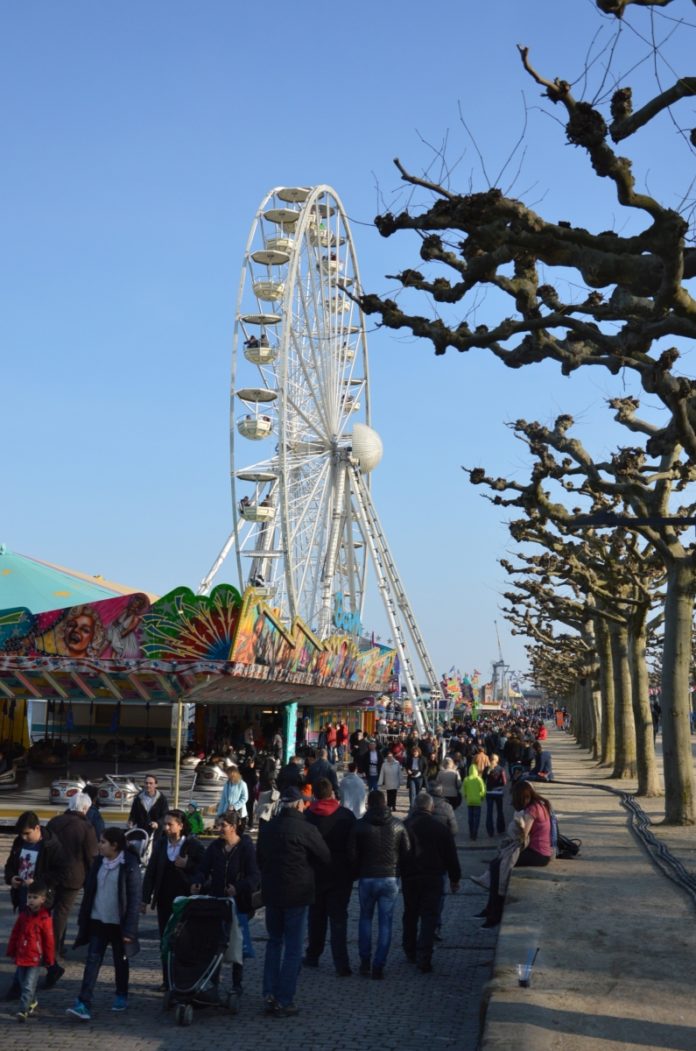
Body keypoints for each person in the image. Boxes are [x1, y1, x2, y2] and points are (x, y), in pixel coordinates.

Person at [256, 787, 330, 1017]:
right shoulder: (306, 829)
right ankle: (284, 999)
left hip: (273, 892)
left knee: (274, 942)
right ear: (298, 804)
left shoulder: (268, 828)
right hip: (298, 893)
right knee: (293, 947)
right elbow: (325, 857)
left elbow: (260, 858)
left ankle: (269, 993)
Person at [67, 827, 142, 1020]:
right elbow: (90, 891)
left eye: (103, 842)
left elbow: (134, 899)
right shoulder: (99, 862)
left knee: (120, 961)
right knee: (92, 960)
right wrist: (84, 916)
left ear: (114, 846)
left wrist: (130, 930)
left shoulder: (129, 864)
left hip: (119, 924)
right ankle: (83, 1002)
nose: (99, 845)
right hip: (98, 920)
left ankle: (121, 994)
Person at [191, 810, 260, 1002]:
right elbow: (203, 869)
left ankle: (237, 983)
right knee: (214, 943)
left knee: (237, 944)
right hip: (217, 901)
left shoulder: (246, 847)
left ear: (234, 826)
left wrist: (238, 887)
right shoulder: (215, 847)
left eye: (223, 825)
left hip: (239, 904)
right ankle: (212, 982)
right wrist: (197, 881)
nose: (219, 828)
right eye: (218, 824)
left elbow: (254, 876)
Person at [3, 811, 67, 1000]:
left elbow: (62, 872)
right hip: (22, 895)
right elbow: (10, 865)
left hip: (41, 901)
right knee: (30, 939)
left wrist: (39, 882)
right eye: (21, 834)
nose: (24, 838)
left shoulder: (51, 845)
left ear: (37, 828)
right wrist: (11, 878)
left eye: (27, 833)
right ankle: (53, 968)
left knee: (28, 940)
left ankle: (18, 987)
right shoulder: (19, 842)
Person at [348, 789, 410, 980]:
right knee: (386, 922)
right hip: (390, 877)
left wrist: (356, 872)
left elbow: (351, 854)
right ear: (385, 803)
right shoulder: (398, 825)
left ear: (368, 803)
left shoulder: (359, 826)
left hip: (367, 877)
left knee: (365, 918)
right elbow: (407, 852)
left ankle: (365, 961)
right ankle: (379, 965)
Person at [474, 781, 554, 928]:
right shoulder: (540, 804)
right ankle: (490, 908)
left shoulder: (532, 809)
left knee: (500, 866)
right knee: (497, 864)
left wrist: (518, 825)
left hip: (538, 854)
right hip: (540, 851)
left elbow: (523, 836)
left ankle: (495, 913)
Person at [142, 809, 205, 988]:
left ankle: (183, 980)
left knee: (184, 941)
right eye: (165, 824)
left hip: (185, 901)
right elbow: (151, 871)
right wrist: (145, 898)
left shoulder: (193, 845)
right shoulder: (161, 844)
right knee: (166, 940)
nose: (166, 827)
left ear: (181, 825)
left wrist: (188, 864)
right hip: (164, 900)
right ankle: (167, 980)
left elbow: (203, 869)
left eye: (170, 824)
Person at [303, 778, 356, 975]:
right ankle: (341, 963)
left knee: (316, 917)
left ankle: (313, 955)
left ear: (314, 795)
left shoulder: (307, 816)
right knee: (338, 918)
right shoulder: (346, 816)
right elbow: (354, 846)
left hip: (315, 874)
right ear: (332, 792)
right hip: (341, 874)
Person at [402, 794, 460, 973]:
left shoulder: (405, 826)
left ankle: (410, 950)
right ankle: (424, 957)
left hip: (410, 877)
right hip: (433, 877)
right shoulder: (440, 828)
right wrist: (455, 878)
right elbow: (451, 854)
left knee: (410, 914)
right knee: (429, 917)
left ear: (414, 807)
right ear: (431, 808)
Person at [46, 792, 99, 980]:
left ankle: (51, 946)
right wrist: (94, 878)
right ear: (85, 808)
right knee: (62, 912)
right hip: (73, 877)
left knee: (49, 910)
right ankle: (54, 950)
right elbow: (91, 856)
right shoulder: (86, 826)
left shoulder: (54, 821)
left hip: (51, 874)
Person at [6, 880, 56, 1022]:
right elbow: (15, 933)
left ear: (42, 899)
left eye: (35, 897)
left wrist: (49, 958)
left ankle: (23, 1010)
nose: (31, 900)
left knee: (28, 985)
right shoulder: (23, 915)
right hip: (22, 954)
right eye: (29, 897)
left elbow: (49, 941)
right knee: (24, 983)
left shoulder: (45, 918)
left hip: (35, 957)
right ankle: (32, 1001)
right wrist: (12, 949)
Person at [485, 754, 507, 836]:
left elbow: (483, 779)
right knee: (499, 811)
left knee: (489, 812)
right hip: (498, 792)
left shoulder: (487, 768)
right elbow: (504, 782)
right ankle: (500, 829)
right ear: (497, 760)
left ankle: (490, 831)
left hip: (489, 792)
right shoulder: (501, 769)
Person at [462, 765, 486, 841]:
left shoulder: (466, 779)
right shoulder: (479, 779)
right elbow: (483, 790)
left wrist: (465, 796)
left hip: (470, 802)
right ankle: (475, 834)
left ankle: (471, 833)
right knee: (477, 819)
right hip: (477, 802)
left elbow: (463, 790)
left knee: (470, 819)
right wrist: (482, 797)